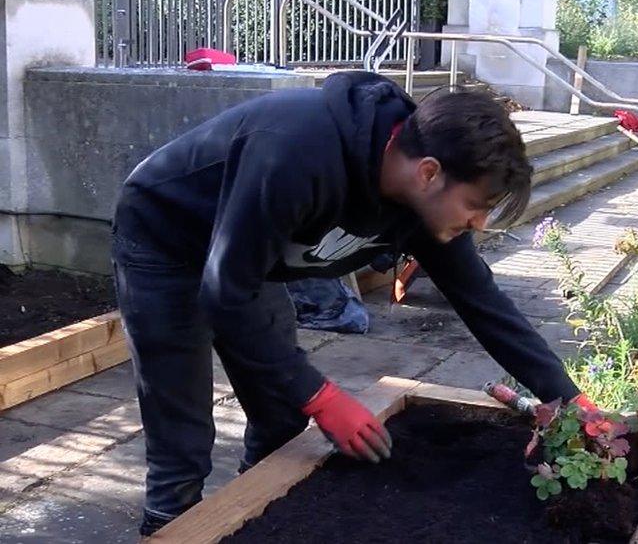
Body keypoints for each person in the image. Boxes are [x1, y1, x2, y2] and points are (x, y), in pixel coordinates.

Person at [111, 71, 598, 536]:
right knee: (183, 435)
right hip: (166, 239)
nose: (477, 223)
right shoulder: (295, 150)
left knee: (281, 411)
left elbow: (483, 303)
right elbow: (224, 292)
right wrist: (324, 398)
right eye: (476, 207)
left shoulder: (418, 204)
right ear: (430, 173)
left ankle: (247, 515)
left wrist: (571, 399)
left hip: (245, 258)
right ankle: (166, 527)